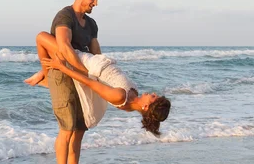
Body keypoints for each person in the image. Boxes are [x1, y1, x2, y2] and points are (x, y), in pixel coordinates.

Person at [26, 31, 171, 136]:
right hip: (96, 60)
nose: (153, 93)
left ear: (145, 106)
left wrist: (62, 67)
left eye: (154, 97)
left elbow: (90, 82)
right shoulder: (134, 93)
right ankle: (45, 76)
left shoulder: (120, 96)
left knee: (41, 37)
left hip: (84, 62)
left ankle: (45, 74)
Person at [31, 0, 102, 164]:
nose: (95, 3)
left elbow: (96, 52)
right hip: (62, 75)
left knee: (80, 128)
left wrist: (101, 74)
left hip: (80, 76)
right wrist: (85, 73)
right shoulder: (65, 16)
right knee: (67, 126)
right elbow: (64, 48)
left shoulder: (91, 24)